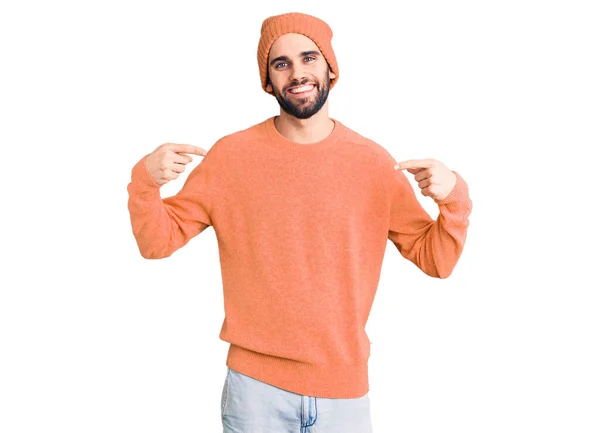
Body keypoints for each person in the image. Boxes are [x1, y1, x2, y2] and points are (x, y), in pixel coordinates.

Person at [126, 11, 473, 433]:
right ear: (268, 81)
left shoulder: (373, 164)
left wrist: (453, 196)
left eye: (309, 58)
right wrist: (145, 181)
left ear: (331, 68)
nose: (297, 73)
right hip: (254, 393)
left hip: (343, 395)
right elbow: (157, 242)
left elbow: (435, 260)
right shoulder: (231, 158)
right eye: (281, 63)